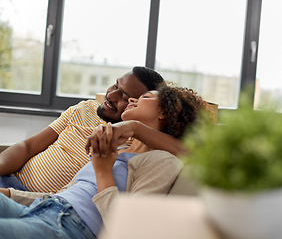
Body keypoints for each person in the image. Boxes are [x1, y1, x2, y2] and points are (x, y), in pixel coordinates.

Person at [0, 84, 205, 239]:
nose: (132, 99)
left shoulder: (163, 162)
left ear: (163, 113)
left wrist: (103, 171)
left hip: (69, 227)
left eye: (145, 96)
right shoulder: (118, 149)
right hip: (42, 208)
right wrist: (10, 194)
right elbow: (65, 196)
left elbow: (128, 229)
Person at [0, 66, 183, 193]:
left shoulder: (136, 142)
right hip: (8, 180)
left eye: (125, 96)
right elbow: (28, 147)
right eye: (115, 85)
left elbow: (187, 151)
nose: (110, 95)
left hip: (43, 204)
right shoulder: (85, 108)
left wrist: (135, 128)